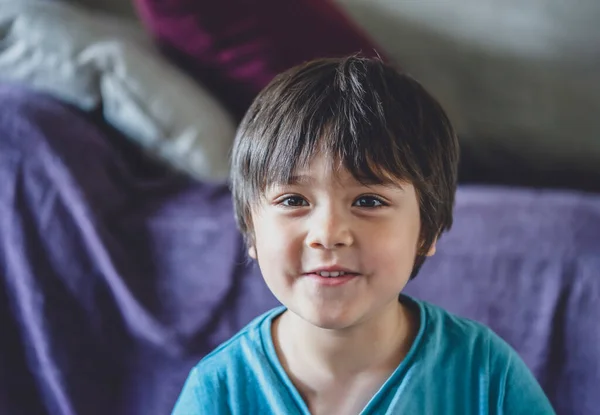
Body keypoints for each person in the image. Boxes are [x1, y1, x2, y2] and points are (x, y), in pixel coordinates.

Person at [172, 56, 555, 414]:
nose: (328, 234)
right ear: (251, 230)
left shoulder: (486, 376)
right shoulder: (218, 392)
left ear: (428, 230)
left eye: (369, 201)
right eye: (293, 200)